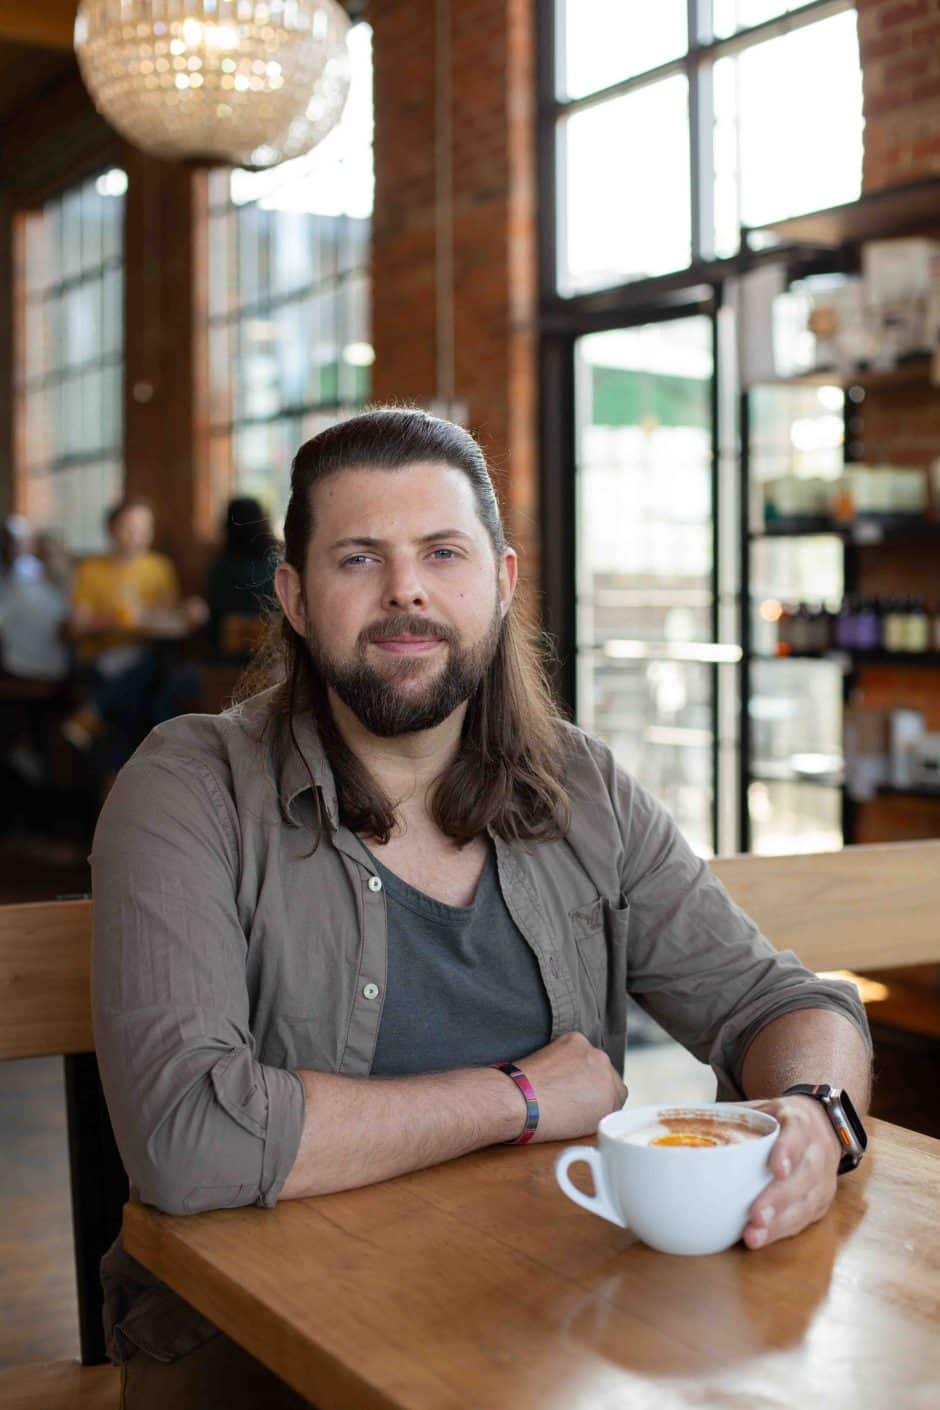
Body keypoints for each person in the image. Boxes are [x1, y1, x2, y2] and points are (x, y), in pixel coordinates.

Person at [92, 409, 872, 1408]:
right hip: (265, 1357)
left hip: (553, 1330)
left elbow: (780, 1004)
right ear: (293, 596)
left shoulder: (581, 787)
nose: (405, 590)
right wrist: (523, 1097)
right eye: (358, 557)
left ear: (500, 585)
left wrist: (816, 1114)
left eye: (441, 553)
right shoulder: (190, 787)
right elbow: (187, 1138)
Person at [63, 498, 206, 766]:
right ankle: (145, 774)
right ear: (111, 530)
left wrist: (190, 610)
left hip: (145, 656)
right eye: (130, 528)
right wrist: (116, 619)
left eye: (144, 528)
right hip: (104, 657)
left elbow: (168, 615)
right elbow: (76, 627)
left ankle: (93, 714)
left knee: (147, 683)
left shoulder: (158, 567)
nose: (138, 536)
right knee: (151, 690)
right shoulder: (91, 570)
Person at [205, 495, 278, 663]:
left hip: (225, 661)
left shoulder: (220, 570)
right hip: (271, 661)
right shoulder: (276, 568)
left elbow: (213, 627)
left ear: (228, 527)